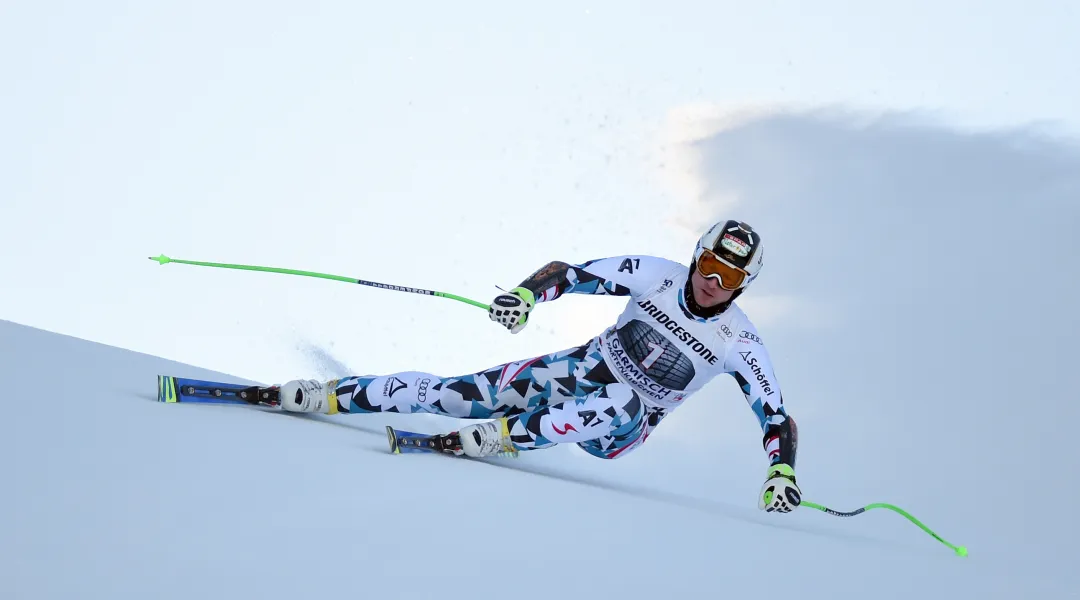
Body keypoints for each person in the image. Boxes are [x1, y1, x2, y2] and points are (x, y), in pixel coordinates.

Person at [278, 219, 802, 513]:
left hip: (624, 425)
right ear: (696, 257)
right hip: (578, 370)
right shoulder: (657, 275)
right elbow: (570, 273)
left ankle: (505, 437)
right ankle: (327, 394)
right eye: (711, 266)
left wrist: (781, 470)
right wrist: (526, 295)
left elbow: (775, 416)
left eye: (729, 279)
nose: (713, 283)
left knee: (623, 399)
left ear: (741, 287)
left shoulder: (741, 341)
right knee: (455, 395)